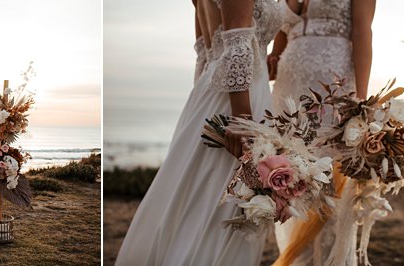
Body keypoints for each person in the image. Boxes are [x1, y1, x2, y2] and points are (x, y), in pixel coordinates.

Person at [115, 0, 284, 264]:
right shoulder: (241, 108)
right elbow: (237, 41)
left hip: (222, 89)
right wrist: (242, 118)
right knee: (226, 198)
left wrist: (199, 110)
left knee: (206, 196)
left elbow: (205, 55)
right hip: (239, 98)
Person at [267, 0, 375, 264]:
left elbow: (362, 32)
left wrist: (361, 103)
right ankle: (296, 256)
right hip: (288, 89)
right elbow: (283, 29)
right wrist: (274, 57)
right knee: (289, 176)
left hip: (332, 86)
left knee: (328, 179)